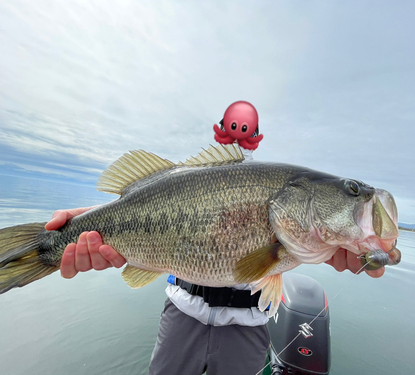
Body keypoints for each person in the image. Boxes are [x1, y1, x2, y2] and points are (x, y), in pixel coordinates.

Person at [45, 102, 385, 375]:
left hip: (247, 325)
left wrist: (346, 241)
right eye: (351, 191)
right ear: (221, 129)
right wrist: (89, 223)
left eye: (245, 129)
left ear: (255, 136)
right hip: (183, 310)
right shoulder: (199, 176)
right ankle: (45, 251)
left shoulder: (265, 183)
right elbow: (146, 203)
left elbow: (263, 262)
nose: (238, 134)